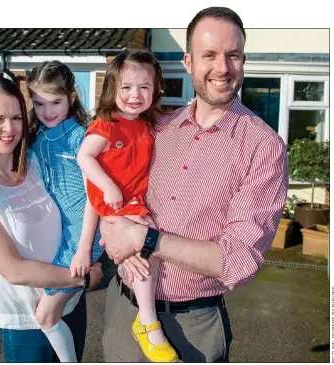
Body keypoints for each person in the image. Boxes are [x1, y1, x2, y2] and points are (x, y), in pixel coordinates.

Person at [99, 6, 289, 363]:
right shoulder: (157, 128)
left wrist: (144, 239)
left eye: (232, 55)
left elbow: (239, 259)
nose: (222, 67)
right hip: (124, 308)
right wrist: (110, 232)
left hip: (193, 327)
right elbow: (115, 188)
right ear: (188, 62)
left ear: (243, 60)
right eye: (209, 55)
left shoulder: (263, 148)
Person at [0, 76, 102, 363]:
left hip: (72, 307)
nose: (9, 128)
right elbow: (15, 271)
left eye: (16, 117)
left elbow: (79, 203)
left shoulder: (35, 163)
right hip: (27, 326)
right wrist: (84, 276)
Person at [77, 49, 177, 363]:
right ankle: (148, 321)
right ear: (112, 90)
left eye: (144, 88)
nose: (135, 95)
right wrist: (107, 186)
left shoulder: (147, 126)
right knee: (146, 238)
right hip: (116, 203)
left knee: (147, 248)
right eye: (126, 88)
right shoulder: (107, 124)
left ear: (155, 91)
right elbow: (84, 157)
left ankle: (125, 268)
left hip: (135, 203)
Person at [27, 61, 104, 362]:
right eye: (38, 104)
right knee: (54, 310)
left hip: (81, 237)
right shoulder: (38, 141)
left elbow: (94, 198)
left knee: (45, 315)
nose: (47, 112)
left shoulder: (82, 139)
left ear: (72, 98)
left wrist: (84, 249)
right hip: (59, 236)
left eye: (55, 102)